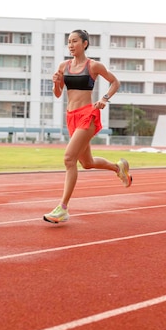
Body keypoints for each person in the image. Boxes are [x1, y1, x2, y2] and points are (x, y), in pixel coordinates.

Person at [43, 29, 132, 224]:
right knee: (87, 163)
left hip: (87, 115)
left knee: (69, 159)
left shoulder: (94, 66)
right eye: (69, 42)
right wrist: (57, 83)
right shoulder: (63, 66)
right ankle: (118, 168)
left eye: (75, 41)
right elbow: (58, 94)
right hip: (71, 116)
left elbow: (115, 82)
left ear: (84, 44)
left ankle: (63, 208)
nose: (71, 45)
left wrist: (104, 99)